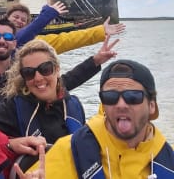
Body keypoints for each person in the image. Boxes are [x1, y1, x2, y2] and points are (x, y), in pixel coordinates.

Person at [43, 59, 174, 178]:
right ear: (103, 105)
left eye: (133, 96)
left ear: (152, 105)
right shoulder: (68, 151)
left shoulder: (169, 161)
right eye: (110, 97)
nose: (121, 105)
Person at [0, 36, 118, 144]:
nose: (38, 78)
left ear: (57, 70)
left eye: (45, 69)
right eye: (29, 72)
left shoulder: (73, 104)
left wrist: (95, 61)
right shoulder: (12, 108)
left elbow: (73, 77)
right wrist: (10, 144)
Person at [0, 2, 126, 55]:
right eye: (16, 17)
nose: (19, 21)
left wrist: (100, 31)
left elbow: (69, 40)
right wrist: (47, 15)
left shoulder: (37, 42)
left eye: (24, 20)